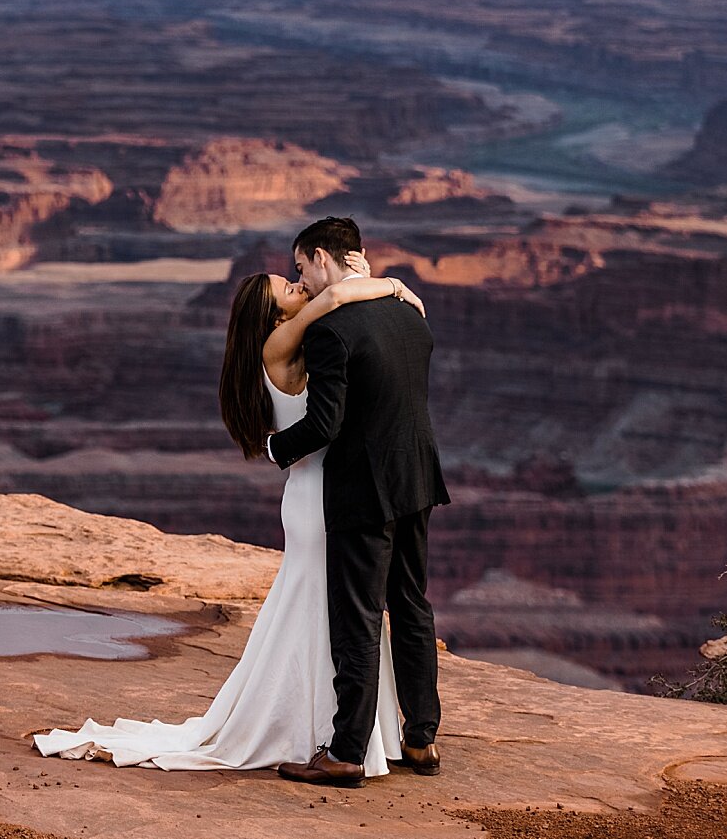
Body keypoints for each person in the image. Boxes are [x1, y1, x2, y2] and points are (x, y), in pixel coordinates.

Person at [30, 228, 429, 775]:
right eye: (286, 289)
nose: (296, 287)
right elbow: (335, 298)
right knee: (344, 614)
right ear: (270, 317)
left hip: (332, 489)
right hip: (323, 496)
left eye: (296, 276)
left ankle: (342, 734)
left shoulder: (300, 340)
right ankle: (333, 735)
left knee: (333, 613)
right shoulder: (281, 342)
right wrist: (391, 284)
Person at [270, 216, 450, 788]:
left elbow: (325, 424)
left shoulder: (332, 331)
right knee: (412, 605)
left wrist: (275, 447)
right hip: (417, 479)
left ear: (322, 257)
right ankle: (422, 739)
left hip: (362, 490)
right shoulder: (410, 316)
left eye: (301, 267)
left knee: (359, 617)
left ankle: (347, 750)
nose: (301, 279)